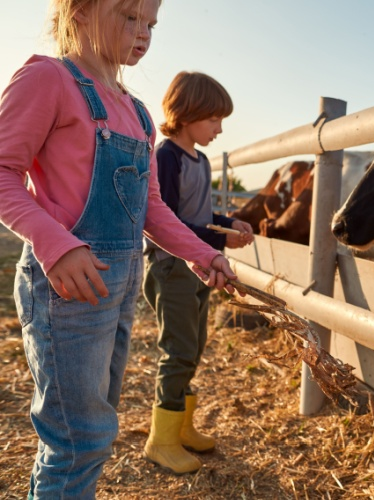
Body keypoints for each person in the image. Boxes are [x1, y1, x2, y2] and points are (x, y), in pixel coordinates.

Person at [0, 1, 243, 497]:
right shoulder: (48, 79)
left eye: (150, 23)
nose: (143, 32)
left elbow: (152, 207)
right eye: (129, 16)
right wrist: (57, 245)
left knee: (87, 432)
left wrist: (202, 253)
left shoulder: (137, 112)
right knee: (79, 441)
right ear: (81, 11)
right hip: (66, 289)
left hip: (118, 288)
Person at [142, 71, 253, 474]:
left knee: (195, 344)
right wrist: (218, 241)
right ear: (187, 114)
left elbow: (200, 215)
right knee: (178, 349)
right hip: (173, 265)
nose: (219, 129)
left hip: (201, 266)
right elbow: (163, 219)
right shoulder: (165, 157)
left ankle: (182, 426)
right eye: (213, 120)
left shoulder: (200, 160)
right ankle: (162, 439)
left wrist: (229, 223)